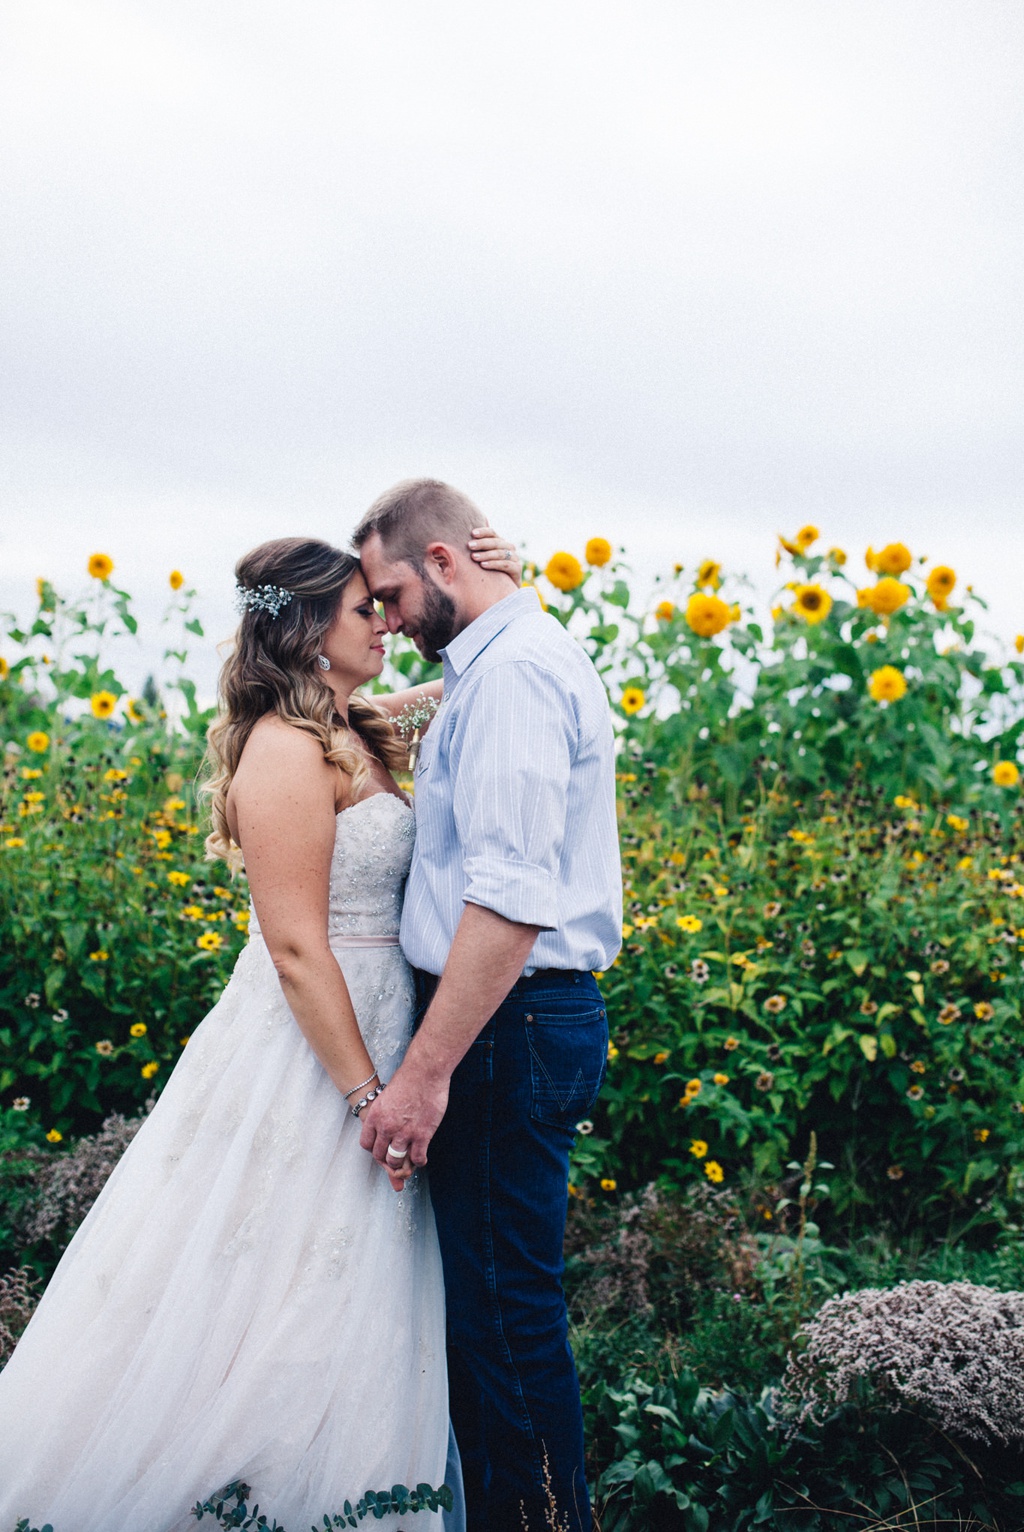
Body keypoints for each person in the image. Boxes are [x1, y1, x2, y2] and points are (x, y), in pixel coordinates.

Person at [0, 527, 518, 1532]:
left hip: (376, 1016)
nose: (386, 621)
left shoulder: (346, 721)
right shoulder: (282, 749)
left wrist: (507, 576)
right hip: (314, 1045)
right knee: (264, 1269)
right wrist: (368, 1091)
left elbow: (491, 675)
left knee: (341, 1280)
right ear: (313, 625)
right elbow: (291, 946)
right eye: (366, 607)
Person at [354, 479, 622, 1532]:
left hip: (502, 1020)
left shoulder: (510, 678)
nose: (382, 618)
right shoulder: (504, 660)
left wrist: (423, 1074)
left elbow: (509, 897)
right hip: (510, 1017)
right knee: (494, 1305)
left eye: (387, 593)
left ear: (443, 563)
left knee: (506, 1317)